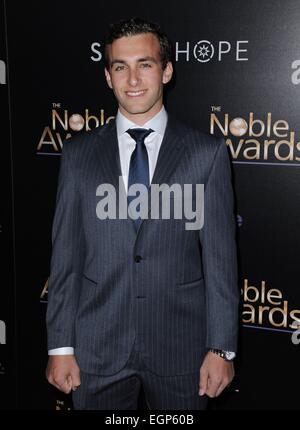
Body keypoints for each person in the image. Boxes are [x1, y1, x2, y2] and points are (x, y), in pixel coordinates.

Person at [46, 17, 239, 410]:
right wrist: (60, 345)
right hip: (96, 349)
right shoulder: (79, 155)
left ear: (166, 70)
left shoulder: (207, 154)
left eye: (145, 64)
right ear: (107, 76)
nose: (132, 79)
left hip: (181, 350)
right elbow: (65, 259)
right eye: (121, 67)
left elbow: (221, 261)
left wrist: (222, 348)